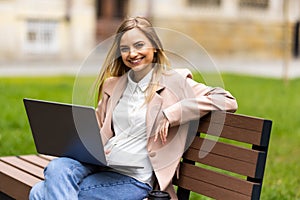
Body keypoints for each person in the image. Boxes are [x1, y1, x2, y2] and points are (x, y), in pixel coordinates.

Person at [29, 16, 238, 200]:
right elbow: (99, 129)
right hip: (103, 165)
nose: (132, 53)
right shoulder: (113, 85)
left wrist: (172, 113)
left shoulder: (175, 82)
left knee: (40, 193)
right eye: (125, 48)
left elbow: (226, 99)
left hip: (134, 179)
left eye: (139, 45)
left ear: (155, 47)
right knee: (57, 168)